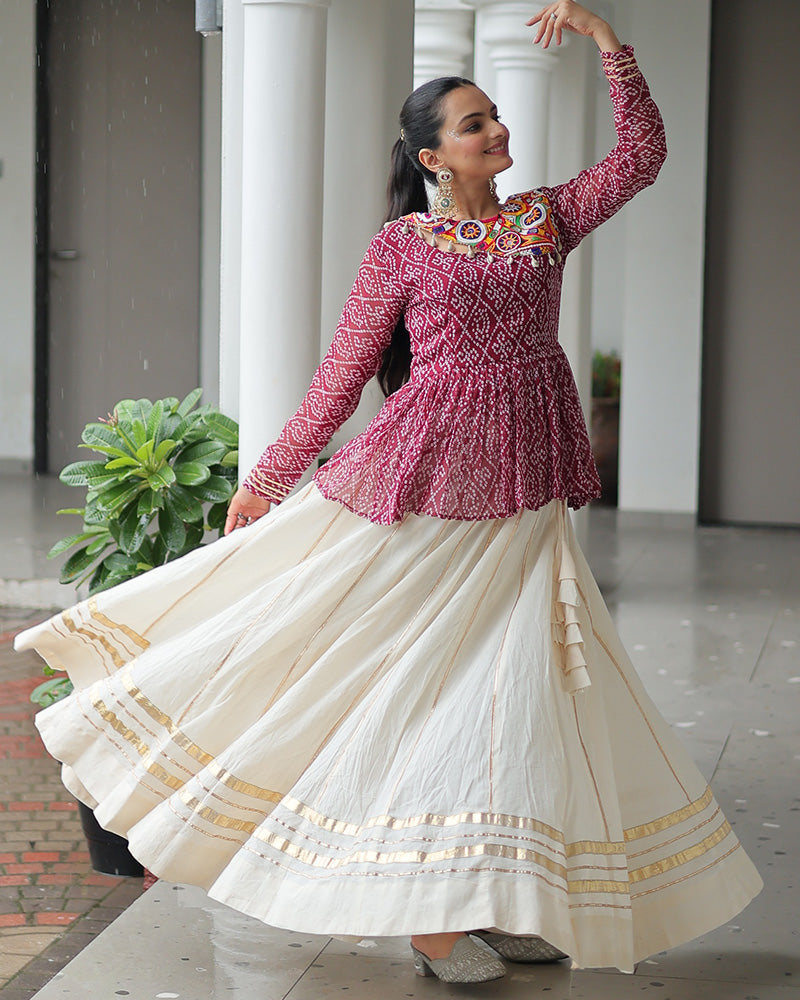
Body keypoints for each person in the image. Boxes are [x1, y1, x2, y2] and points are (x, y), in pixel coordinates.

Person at [17, 0, 762, 986]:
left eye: (495, 115)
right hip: (431, 492)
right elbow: (341, 376)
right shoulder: (400, 248)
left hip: (528, 493)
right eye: (473, 123)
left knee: (517, 699)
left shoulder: (542, 218)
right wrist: (269, 478)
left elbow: (643, 155)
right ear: (431, 157)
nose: (496, 129)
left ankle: (486, 896)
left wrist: (604, 43)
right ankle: (431, 918)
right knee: (424, 689)